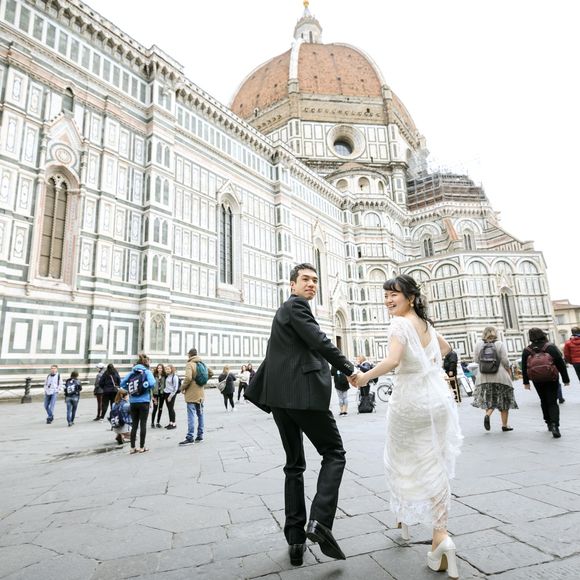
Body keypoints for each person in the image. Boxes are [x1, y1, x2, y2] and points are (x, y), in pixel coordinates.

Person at [244, 263, 357, 567]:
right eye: (305, 279)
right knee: (334, 453)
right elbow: (319, 341)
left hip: (281, 399)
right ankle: (320, 521)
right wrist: (349, 369)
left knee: (294, 465)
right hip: (303, 397)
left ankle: (295, 540)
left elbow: (275, 354)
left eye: (315, 280)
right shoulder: (297, 306)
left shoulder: (283, 311)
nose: (311, 284)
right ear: (292, 284)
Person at [352, 274, 462, 579]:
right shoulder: (425, 323)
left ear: (410, 298)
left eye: (394, 295)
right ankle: (440, 534)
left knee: (401, 459)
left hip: (411, 401)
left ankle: (410, 521)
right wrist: (425, 364)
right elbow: (446, 348)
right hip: (437, 400)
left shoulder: (399, 324)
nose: (388, 300)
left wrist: (364, 377)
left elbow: (392, 361)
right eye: (386, 295)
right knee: (434, 461)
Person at [522, 328, 570, 438]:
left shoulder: (527, 350)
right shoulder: (550, 347)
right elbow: (560, 363)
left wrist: (526, 382)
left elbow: (524, 368)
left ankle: (548, 422)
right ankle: (555, 425)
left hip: (537, 380)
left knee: (543, 400)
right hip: (552, 378)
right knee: (552, 401)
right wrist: (565, 379)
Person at [471, 327, 518, 432]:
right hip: (500, 376)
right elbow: (505, 361)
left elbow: (476, 360)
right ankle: (504, 425)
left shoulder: (478, 344)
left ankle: (488, 414)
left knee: (489, 398)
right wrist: (508, 370)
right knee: (504, 400)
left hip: (483, 377)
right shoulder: (499, 344)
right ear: (495, 333)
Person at [120, 353, 155, 453]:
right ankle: (142, 447)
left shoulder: (132, 372)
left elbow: (122, 383)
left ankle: (132, 448)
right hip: (144, 401)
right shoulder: (147, 372)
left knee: (134, 424)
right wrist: (145, 387)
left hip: (133, 401)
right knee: (143, 424)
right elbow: (152, 383)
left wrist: (130, 389)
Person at [179, 348, 213, 446]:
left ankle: (190, 437)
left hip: (191, 394)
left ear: (189, 355)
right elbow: (211, 373)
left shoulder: (190, 364)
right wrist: (202, 381)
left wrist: (182, 388)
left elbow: (188, 378)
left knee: (191, 415)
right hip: (200, 394)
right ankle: (200, 436)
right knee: (200, 414)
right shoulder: (202, 363)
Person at [163, 364, 179, 429]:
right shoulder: (167, 376)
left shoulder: (175, 377)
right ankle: (170, 423)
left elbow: (175, 388)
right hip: (166, 393)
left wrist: (170, 396)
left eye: (168, 369)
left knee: (171, 409)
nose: (167, 370)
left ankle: (174, 424)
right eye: (166, 369)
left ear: (171, 369)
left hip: (171, 394)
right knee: (169, 409)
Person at [151, 363, 166, 428]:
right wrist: (152, 396)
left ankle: (158, 422)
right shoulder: (154, 375)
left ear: (162, 369)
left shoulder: (164, 376)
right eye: (158, 368)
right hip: (155, 394)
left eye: (161, 368)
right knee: (155, 408)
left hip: (162, 394)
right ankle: (152, 423)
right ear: (157, 369)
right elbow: (151, 387)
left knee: (160, 408)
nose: (159, 369)